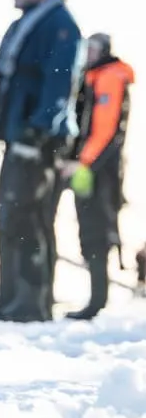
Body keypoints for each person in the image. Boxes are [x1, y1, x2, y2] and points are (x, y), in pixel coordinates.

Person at [0, 0, 81, 322]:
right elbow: (15, 90)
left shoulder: (60, 25)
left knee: (29, 219)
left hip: (38, 144)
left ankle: (32, 304)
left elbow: (58, 85)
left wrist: (36, 133)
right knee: (9, 218)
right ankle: (10, 299)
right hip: (18, 137)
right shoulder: (27, 24)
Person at [60, 33, 134, 319]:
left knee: (96, 233)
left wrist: (83, 163)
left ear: (103, 51)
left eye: (92, 49)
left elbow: (106, 128)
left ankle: (97, 301)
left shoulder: (109, 78)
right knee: (91, 232)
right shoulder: (92, 77)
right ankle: (96, 299)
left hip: (100, 172)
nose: (87, 54)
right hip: (92, 169)